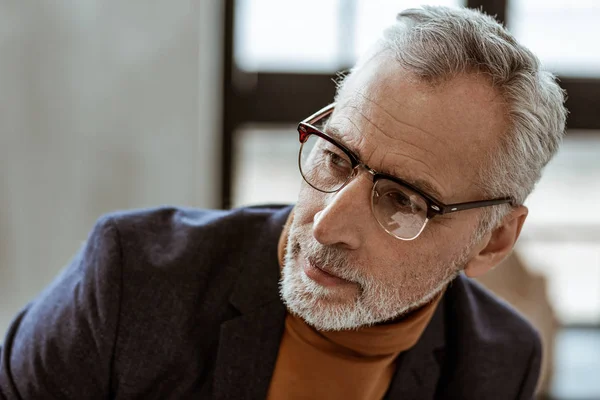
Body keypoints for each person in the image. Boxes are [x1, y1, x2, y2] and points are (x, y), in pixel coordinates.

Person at [0, 5, 566, 400]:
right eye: (337, 157)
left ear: (492, 239)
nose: (325, 225)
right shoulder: (131, 281)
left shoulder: (499, 360)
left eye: (401, 201)